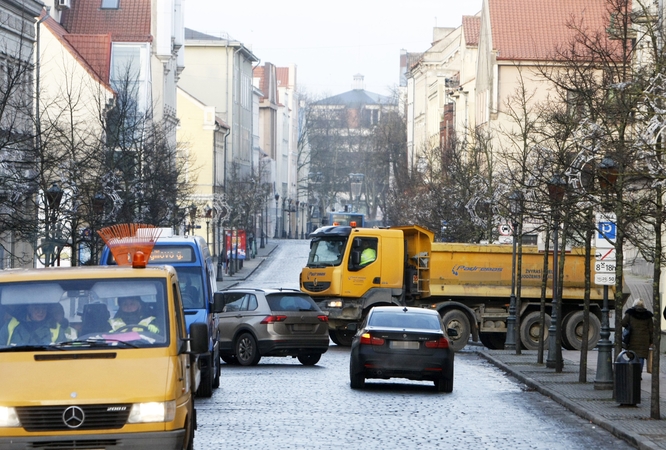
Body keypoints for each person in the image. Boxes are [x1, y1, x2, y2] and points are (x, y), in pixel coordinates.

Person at [0, 303, 65, 346]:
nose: (41, 312)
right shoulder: (11, 324)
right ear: (28, 308)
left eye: (44, 308)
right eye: (36, 308)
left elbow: (63, 351)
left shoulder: (55, 327)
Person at [621, 298, 653, 374]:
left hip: (632, 338)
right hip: (644, 340)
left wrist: (629, 325)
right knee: (641, 357)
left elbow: (623, 323)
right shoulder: (648, 315)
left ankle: (633, 373)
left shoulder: (630, 313)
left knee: (632, 355)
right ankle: (639, 374)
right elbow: (651, 330)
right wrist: (651, 341)